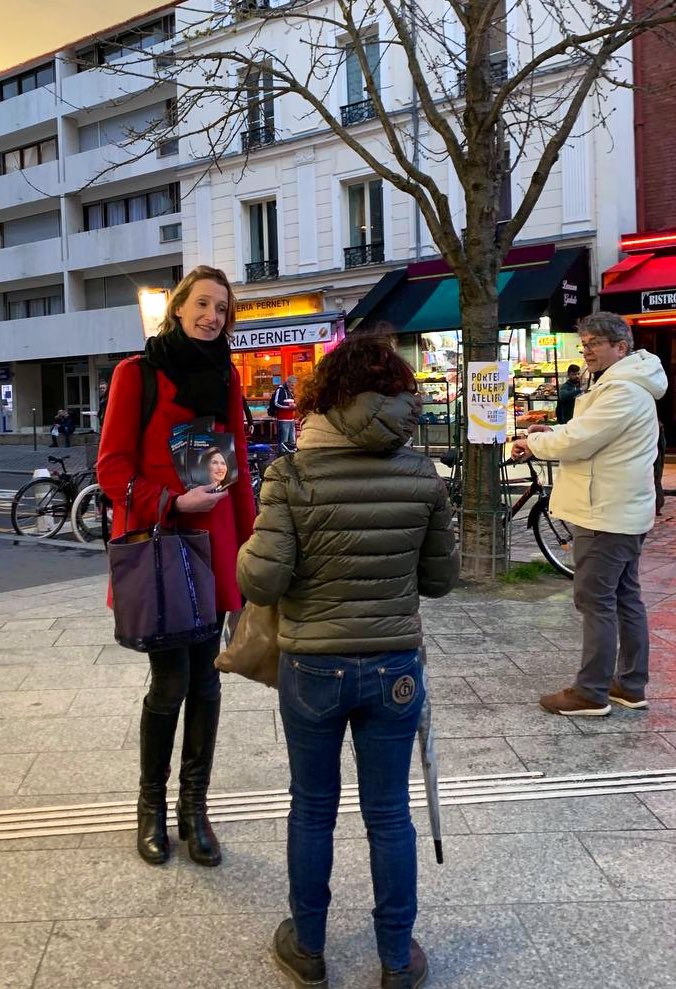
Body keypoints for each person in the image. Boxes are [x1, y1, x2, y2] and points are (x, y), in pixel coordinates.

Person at [237, 333, 458, 989]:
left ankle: (307, 948)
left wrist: (258, 534)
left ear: (324, 396)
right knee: (389, 812)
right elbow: (441, 580)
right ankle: (396, 958)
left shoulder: (291, 474)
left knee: (312, 806)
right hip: (393, 666)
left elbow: (261, 583)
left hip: (313, 666)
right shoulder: (423, 473)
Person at [98, 265, 256, 867]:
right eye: (204, 304)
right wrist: (170, 500)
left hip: (213, 549)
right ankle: (151, 808)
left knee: (209, 681)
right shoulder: (136, 374)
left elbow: (235, 470)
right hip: (161, 545)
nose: (213, 316)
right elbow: (111, 468)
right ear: (180, 307)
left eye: (223, 308)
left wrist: (250, 548)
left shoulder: (227, 378)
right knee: (171, 683)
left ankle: (196, 810)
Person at [511, 312, 668, 717]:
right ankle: (630, 685)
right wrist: (553, 433)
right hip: (619, 508)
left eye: (595, 343)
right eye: (584, 343)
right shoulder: (621, 386)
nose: (588, 350)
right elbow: (590, 434)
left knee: (595, 600)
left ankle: (591, 692)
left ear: (621, 347)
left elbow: (581, 441)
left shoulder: (623, 391)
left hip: (604, 512)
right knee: (624, 597)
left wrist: (533, 441)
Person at [272, 374, 297, 453]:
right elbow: (276, 403)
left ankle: (290, 455)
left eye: (294, 385)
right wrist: (289, 407)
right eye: (292, 385)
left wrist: (295, 405)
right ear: (288, 383)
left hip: (291, 418)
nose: (293, 387)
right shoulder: (281, 390)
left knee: (291, 439)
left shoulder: (291, 391)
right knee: (283, 440)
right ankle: (282, 455)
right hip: (283, 418)